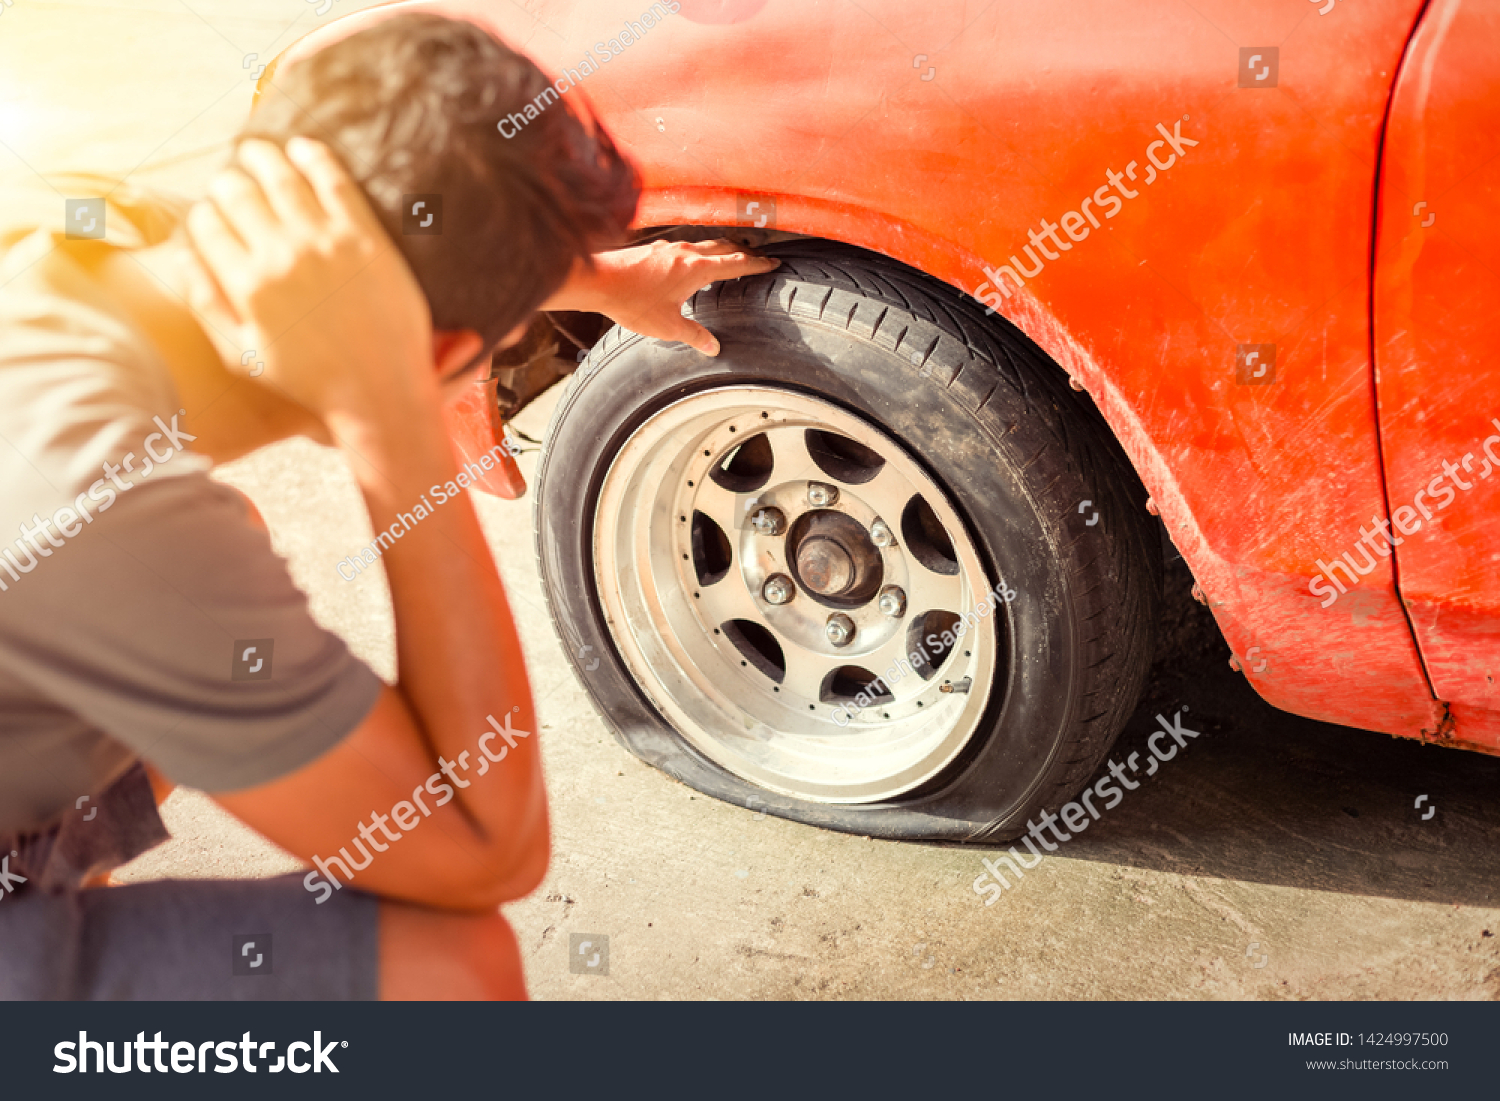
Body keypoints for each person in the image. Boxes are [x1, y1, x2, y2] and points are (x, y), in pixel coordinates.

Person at [0, 11, 775, 1000]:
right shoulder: (107, 511)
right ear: (447, 358)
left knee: (201, 584)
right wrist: (391, 416)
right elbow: (491, 851)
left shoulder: (72, 226)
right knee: (451, 976)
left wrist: (581, 279)